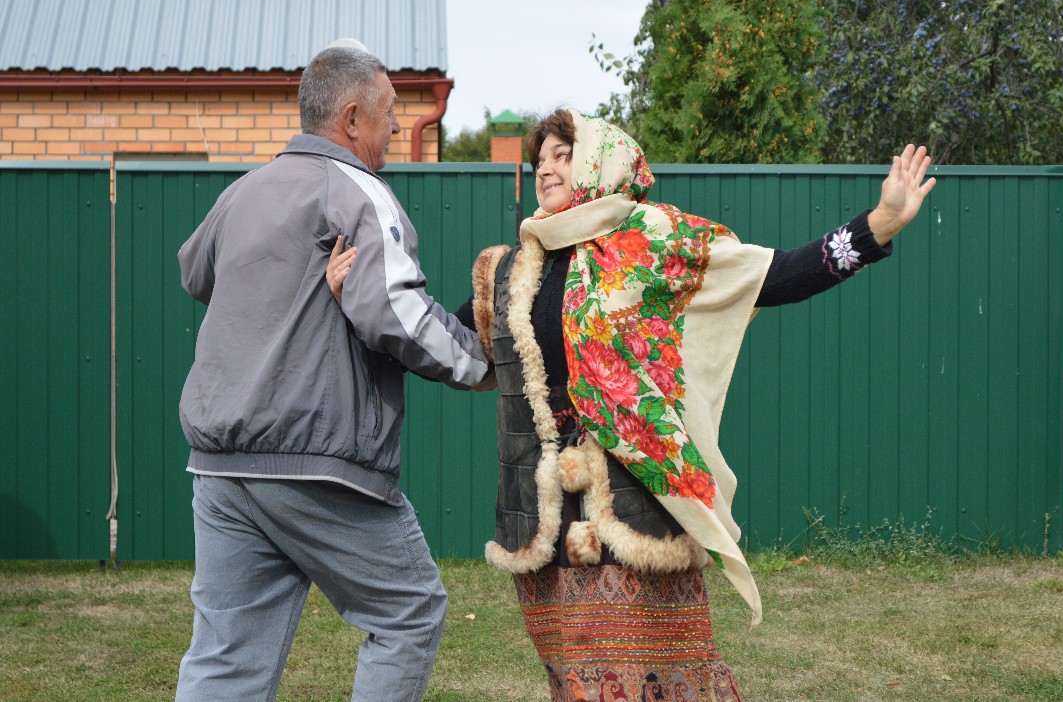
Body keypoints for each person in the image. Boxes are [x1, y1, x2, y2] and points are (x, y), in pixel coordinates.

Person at [329, 108, 934, 701]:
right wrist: (356, 301)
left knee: (660, 677)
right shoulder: (507, 269)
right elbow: (442, 343)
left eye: (563, 156)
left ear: (600, 163)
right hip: (540, 517)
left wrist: (876, 224)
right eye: (540, 159)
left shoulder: (652, 242)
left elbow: (775, 277)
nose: (546, 169)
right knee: (572, 678)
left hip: (633, 509)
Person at [174, 43, 490, 702]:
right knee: (410, 612)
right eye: (389, 113)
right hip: (313, 460)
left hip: (221, 468)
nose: (397, 128)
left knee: (226, 658)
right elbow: (395, 313)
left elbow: (195, 270)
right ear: (351, 119)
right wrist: (483, 363)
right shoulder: (357, 193)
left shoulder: (244, 192)